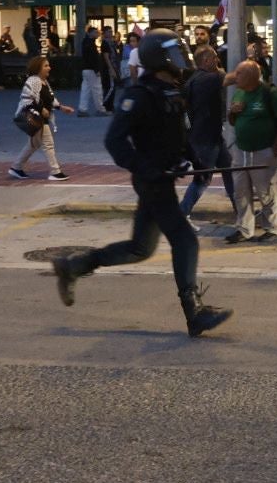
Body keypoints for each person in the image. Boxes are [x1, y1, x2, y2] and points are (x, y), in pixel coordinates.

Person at [51, 31, 231, 337]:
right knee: (185, 239)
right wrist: (144, 168)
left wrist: (196, 160)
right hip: (151, 180)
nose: (181, 58)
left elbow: (180, 133)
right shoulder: (139, 94)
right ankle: (194, 313)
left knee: (140, 249)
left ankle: (74, 266)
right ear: (158, 57)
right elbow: (114, 141)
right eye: (174, 53)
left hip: (163, 177)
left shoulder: (171, 91)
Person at [225, 60, 277, 244]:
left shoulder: (269, 93)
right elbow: (231, 121)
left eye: (239, 74)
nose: (234, 77)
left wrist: (275, 147)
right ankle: (244, 229)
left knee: (267, 191)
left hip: (263, 150)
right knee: (240, 191)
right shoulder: (239, 92)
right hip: (241, 150)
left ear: (252, 76)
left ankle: (272, 228)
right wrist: (233, 112)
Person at [179, 46, 234, 222]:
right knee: (203, 179)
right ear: (206, 61)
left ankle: (241, 212)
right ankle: (181, 214)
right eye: (215, 58)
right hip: (205, 139)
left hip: (208, 136)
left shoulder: (195, 79)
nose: (218, 61)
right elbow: (233, 78)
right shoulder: (210, 78)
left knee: (229, 171)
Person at [10, 55, 74, 180]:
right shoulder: (34, 80)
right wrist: (41, 108)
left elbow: (50, 99)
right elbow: (29, 97)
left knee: (33, 145)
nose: (49, 68)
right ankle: (55, 171)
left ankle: (16, 168)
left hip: (40, 117)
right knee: (48, 144)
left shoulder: (44, 81)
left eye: (48, 65)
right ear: (37, 68)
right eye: (46, 66)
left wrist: (61, 107)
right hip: (35, 116)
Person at [78, 26, 106, 116]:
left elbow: (87, 57)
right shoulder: (91, 43)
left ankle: (82, 109)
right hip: (92, 70)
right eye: (95, 32)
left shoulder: (85, 42)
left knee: (85, 89)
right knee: (97, 89)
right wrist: (97, 69)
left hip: (85, 69)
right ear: (90, 33)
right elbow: (92, 58)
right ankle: (100, 109)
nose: (97, 34)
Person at [99, 25, 119, 108]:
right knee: (110, 87)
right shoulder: (105, 43)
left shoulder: (111, 42)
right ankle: (105, 105)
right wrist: (111, 69)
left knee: (112, 87)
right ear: (105, 33)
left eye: (111, 31)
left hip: (113, 66)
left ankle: (110, 105)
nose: (111, 33)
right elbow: (106, 57)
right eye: (109, 32)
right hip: (108, 68)